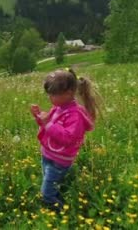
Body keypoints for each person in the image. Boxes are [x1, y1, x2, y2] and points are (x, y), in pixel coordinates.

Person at [30, 68, 100, 211]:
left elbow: (67, 138)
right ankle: (59, 201)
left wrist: (47, 124)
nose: (50, 98)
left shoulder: (75, 115)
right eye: (49, 94)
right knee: (51, 186)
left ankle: (65, 213)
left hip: (58, 161)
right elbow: (48, 126)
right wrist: (39, 117)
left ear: (68, 93)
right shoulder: (58, 107)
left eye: (53, 94)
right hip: (48, 155)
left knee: (46, 195)